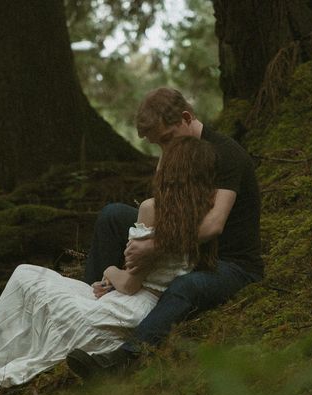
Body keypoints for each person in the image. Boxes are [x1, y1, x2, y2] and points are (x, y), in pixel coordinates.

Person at [0, 136, 217, 395]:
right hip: (147, 310)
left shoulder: (153, 208)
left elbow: (129, 283)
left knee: (26, 277)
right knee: (44, 288)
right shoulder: (204, 212)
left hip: (127, 307)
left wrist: (108, 272)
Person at [66, 87, 263, 378]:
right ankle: (91, 304)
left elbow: (213, 224)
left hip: (229, 262)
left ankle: (124, 360)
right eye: (159, 144)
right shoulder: (175, 151)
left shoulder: (227, 155)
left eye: (167, 139)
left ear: (186, 118)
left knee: (186, 286)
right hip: (187, 248)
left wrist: (156, 246)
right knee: (112, 216)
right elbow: (165, 212)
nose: (165, 150)